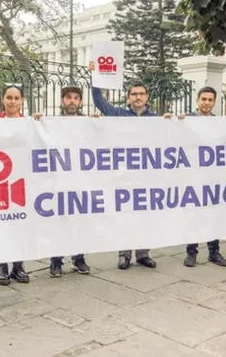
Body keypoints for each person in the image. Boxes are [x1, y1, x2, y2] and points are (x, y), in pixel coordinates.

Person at [92, 82, 158, 270]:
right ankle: (124, 254)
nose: (138, 97)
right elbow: (99, 101)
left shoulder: (156, 119)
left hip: (146, 175)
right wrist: (96, 79)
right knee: (125, 215)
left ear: (147, 97)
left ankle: (143, 254)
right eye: (134, 94)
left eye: (141, 94)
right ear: (128, 97)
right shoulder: (118, 115)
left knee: (145, 216)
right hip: (123, 175)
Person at [176, 86, 226, 268]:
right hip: (193, 176)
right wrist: (176, 121)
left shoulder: (219, 123)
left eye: (210, 100)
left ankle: (214, 252)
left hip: (214, 177)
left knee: (215, 213)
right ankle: (191, 252)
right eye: (203, 99)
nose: (206, 103)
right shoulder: (187, 119)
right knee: (194, 214)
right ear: (197, 100)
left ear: (214, 102)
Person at [32, 86, 91, 277]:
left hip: (80, 180)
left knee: (79, 222)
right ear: (62, 101)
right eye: (68, 98)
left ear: (80, 102)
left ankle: (78, 258)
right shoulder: (51, 122)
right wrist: (37, 122)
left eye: (76, 98)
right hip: (57, 181)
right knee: (58, 223)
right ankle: (56, 261)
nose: (72, 101)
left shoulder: (88, 122)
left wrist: (99, 124)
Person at [0, 84, 31, 286]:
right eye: (9, 97)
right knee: (2, 224)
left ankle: (18, 266)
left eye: (16, 98)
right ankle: (2, 266)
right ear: (2, 99)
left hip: (21, 181)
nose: (12, 101)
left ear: (22, 101)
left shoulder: (29, 123)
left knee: (20, 224)